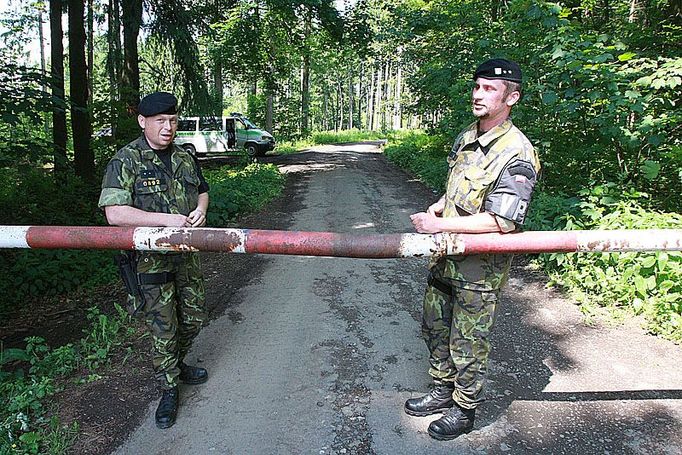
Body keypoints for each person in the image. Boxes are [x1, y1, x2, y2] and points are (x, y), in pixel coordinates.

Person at [406, 59, 541, 441]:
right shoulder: (468, 135)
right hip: (446, 256)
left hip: (478, 269)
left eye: (489, 89)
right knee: (435, 326)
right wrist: (439, 205)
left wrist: (438, 225)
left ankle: (464, 408)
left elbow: (503, 221)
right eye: (477, 87)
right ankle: (441, 390)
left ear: (511, 97)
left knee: (468, 340)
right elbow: (459, 189)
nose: (478, 95)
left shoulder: (517, 152)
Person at [98, 92, 210, 429]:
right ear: (143, 122)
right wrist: (162, 220)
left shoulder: (185, 157)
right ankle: (169, 388)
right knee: (163, 327)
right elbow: (113, 213)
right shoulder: (126, 160)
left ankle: (176, 364)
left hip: (186, 255)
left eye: (173, 121)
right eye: (161, 121)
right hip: (149, 262)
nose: (168, 127)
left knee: (193, 317)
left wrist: (200, 210)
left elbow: (202, 190)